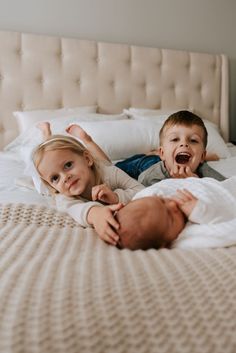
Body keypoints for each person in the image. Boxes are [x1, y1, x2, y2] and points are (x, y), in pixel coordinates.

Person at [33, 123, 144, 246]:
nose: (65, 178)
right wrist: (97, 214)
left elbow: (141, 190)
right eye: (55, 178)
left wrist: (116, 197)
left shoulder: (108, 172)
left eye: (68, 165)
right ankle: (46, 133)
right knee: (46, 162)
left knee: (106, 162)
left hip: (99, 167)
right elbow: (78, 210)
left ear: (87, 159)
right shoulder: (63, 197)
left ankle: (87, 140)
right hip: (48, 185)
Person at [115, 176, 236, 250]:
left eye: (162, 201)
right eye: (170, 216)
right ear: (165, 244)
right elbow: (225, 229)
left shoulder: (153, 200)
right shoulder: (187, 238)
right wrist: (201, 211)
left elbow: (162, 187)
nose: (173, 204)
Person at [116, 110, 225, 185]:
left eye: (193, 140)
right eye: (175, 139)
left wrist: (196, 182)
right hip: (146, 164)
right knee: (117, 168)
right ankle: (152, 154)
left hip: (170, 157)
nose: (184, 144)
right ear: (162, 153)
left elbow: (227, 187)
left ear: (202, 157)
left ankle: (154, 153)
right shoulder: (150, 177)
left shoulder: (204, 170)